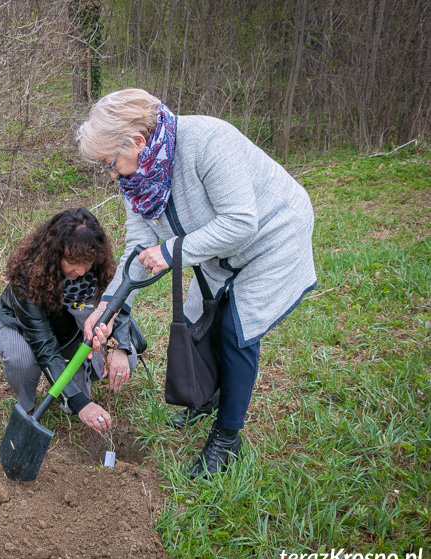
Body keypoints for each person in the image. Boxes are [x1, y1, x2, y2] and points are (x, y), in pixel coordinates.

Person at [77, 89, 316, 477]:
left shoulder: (208, 141)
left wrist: (171, 252)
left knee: (235, 330)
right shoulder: (136, 182)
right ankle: (205, 399)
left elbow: (240, 222)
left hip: (273, 236)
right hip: (214, 247)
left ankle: (227, 437)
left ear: (137, 142)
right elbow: (138, 249)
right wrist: (108, 306)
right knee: (197, 320)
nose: (111, 173)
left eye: (110, 162)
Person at [0, 208, 148, 434]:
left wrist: (118, 348)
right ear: (55, 254)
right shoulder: (28, 278)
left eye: (87, 262)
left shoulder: (99, 271)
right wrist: (80, 403)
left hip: (68, 333)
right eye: (72, 261)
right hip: (16, 327)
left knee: (125, 361)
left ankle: (70, 388)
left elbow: (114, 309)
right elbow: (44, 346)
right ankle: (28, 408)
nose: (81, 270)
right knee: (23, 358)